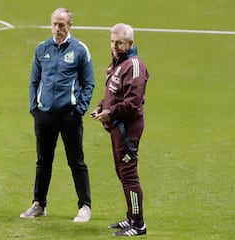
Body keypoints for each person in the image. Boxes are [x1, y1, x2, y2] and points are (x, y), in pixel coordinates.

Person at [20, 8, 95, 222]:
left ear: (69, 26)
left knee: (76, 161)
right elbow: (34, 80)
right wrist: (34, 107)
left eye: (61, 25)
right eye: (54, 24)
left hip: (69, 116)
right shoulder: (42, 49)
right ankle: (39, 204)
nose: (57, 29)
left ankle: (85, 206)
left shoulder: (80, 50)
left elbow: (88, 82)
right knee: (43, 161)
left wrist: (79, 109)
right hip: (44, 115)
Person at [90, 23, 149, 236]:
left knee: (129, 174)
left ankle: (139, 224)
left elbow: (132, 102)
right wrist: (101, 107)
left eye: (119, 43)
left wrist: (111, 113)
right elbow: (113, 94)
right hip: (116, 127)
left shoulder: (134, 66)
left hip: (127, 129)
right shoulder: (118, 63)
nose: (114, 46)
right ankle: (131, 216)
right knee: (122, 172)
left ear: (130, 43)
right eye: (112, 42)